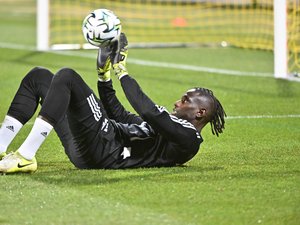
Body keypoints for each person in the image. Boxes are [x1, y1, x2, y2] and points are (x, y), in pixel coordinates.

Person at [0, 33, 226, 174]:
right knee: (38, 77)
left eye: (185, 101)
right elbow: (118, 112)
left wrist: (122, 70)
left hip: (106, 148)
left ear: (200, 112)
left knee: (68, 76)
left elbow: (148, 110)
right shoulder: (163, 131)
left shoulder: (189, 139)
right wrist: (104, 75)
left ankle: (25, 157)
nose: (178, 102)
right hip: (92, 146)